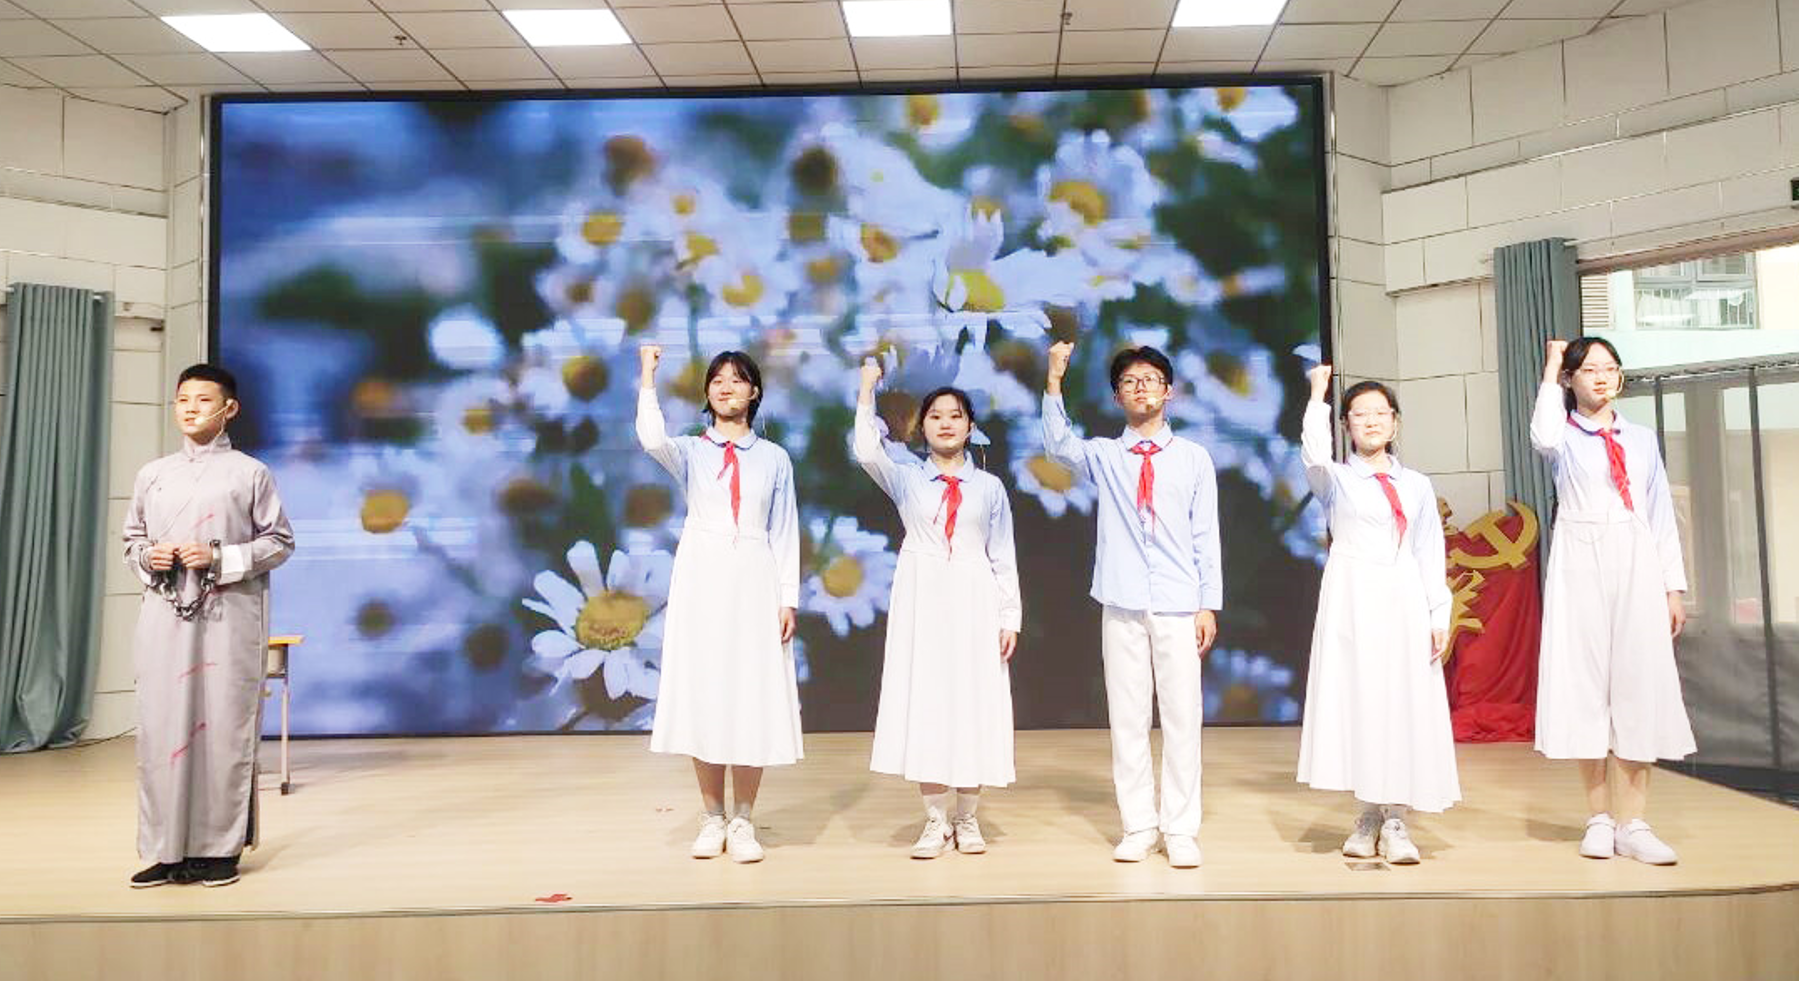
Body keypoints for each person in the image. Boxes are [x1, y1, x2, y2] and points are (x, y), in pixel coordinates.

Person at [1039, 340, 1221, 868]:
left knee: (1183, 718)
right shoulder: (1105, 455)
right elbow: (1058, 446)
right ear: (1117, 396)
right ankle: (1139, 824)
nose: (1141, 388)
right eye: (1129, 382)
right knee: (1128, 718)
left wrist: (1208, 603)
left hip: (1178, 602)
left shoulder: (1193, 458)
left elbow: (1206, 535)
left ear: (1169, 391)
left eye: (1151, 379)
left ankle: (1180, 828)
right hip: (1121, 600)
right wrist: (1054, 380)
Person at [123, 363, 294, 888]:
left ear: (229, 409)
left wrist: (219, 556)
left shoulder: (250, 473)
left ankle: (219, 849)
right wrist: (150, 556)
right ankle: (165, 849)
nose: (190, 408)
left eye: (203, 400)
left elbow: (279, 542)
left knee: (223, 728)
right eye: (182, 400)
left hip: (227, 617)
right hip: (165, 614)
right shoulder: (153, 474)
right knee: (161, 731)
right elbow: (131, 541)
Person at [637, 344, 801, 864]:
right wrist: (648, 376)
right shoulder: (691, 451)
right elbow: (651, 438)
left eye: (737, 379)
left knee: (749, 694)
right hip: (702, 576)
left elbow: (785, 529)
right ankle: (712, 817)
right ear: (707, 393)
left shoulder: (774, 459)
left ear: (755, 391)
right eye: (717, 380)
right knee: (705, 693)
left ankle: (744, 819)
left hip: (754, 575)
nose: (726, 387)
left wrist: (788, 597)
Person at [1532, 337, 1693, 865]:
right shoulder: (1562, 435)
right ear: (1571, 380)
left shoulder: (1641, 439)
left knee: (1637, 684)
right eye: (1590, 369)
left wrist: (1672, 586)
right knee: (1585, 684)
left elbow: (1659, 513)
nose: (1602, 377)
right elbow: (1541, 433)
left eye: (1610, 368)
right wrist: (1552, 366)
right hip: (1579, 556)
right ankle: (1599, 817)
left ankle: (1635, 823)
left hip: (1635, 554)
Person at [853, 359, 1021, 859]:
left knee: (973, 701)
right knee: (926, 702)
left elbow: (1003, 554)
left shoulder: (989, 488)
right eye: (935, 416)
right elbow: (866, 449)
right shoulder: (907, 478)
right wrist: (866, 390)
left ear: (970, 426)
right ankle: (934, 819)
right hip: (923, 595)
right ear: (921, 427)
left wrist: (1009, 617)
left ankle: (967, 817)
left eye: (955, 415)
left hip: (974, 596)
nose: (946, 423)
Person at [1294, 365, 1459, 865]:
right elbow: (1313, 455)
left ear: (1395, 422)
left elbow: (1429, 551)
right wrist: (1318, 393)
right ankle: (1367, 814)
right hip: (1352, 599)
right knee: (1361, 701)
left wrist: (1438, 614)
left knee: (1402, 703)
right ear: (1346, 425)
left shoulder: (1417, 485)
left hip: (1403, 597)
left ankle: (1397, 819)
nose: (1371, 421)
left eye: (1380, 413)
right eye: (1359, 414)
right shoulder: (1337, 480)